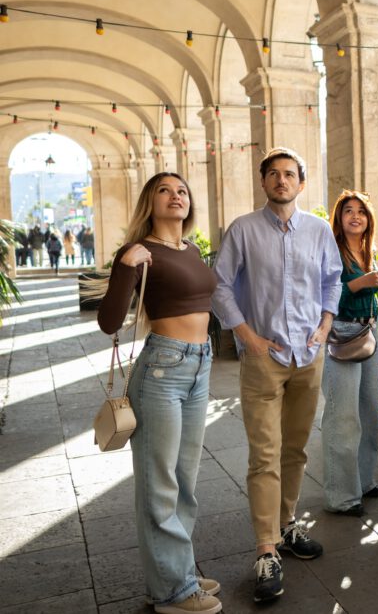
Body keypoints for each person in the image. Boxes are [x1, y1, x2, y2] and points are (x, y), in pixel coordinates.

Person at [211, 147, 343, 603]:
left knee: (296, 449)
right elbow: (220, 285)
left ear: (301, 184)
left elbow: (333, 279)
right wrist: (246, 336)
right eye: (274, 174)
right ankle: (266, 549)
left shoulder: (319, 230)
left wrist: (325, 326)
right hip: (264, 357)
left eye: (290, 174)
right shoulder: (243, 230)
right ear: (264, 182)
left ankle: (287, 525)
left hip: (309, 355)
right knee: (264, 453)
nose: (282, 181)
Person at [96, 172, 222, 614]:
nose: (176, 196)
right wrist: (126, 265)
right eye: (165, 191)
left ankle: (179, 569)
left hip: (200, 364)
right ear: (151, 201)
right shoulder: (138, 252)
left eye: (183, 190)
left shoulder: (191, 249)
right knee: (159, 483)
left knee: (185, 479)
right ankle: (171, 590)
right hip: (163, 372)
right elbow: (110, 322)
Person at [320, 190, 378, 517]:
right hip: (341, 334)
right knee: (342, 418)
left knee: (370, 411)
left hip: (370, 332)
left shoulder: (368, 250)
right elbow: (324, 295)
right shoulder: (333, 250)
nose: (355, 216)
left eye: (361, 210)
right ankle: (342, 496)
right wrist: (361, 284)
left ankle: (364, 480)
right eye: (348, 211)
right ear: (339, 217)